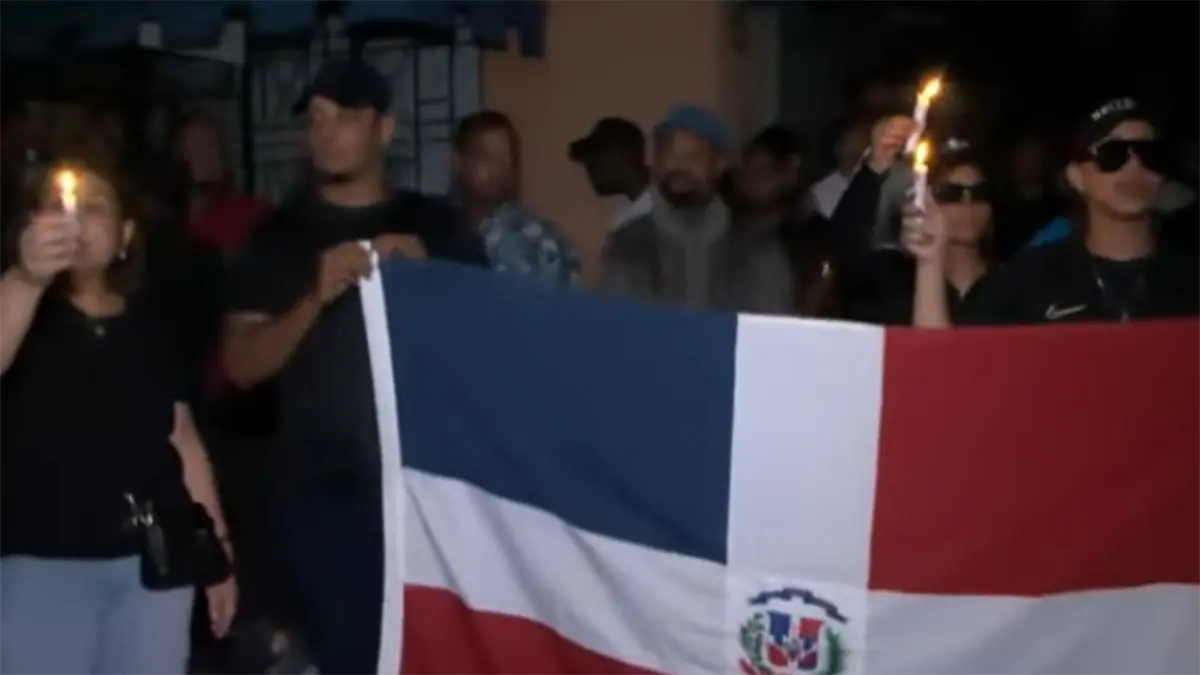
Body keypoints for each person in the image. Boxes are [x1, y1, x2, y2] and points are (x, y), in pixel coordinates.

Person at [222, 59, 487, 675]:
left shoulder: (439, 228)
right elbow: (240, 366)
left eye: (345, 116)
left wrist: (430, 283)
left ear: (385, 129)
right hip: (326, 489)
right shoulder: (276, 238)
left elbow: (487, 347)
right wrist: (314, 299)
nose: (327, 130)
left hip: (429, 485)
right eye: (316, 118)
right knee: (355, 651)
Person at [0, 157, 236, 675]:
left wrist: (218, 555)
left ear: (125, 235)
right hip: (41, 566)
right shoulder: (17, 305)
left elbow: (183, 440)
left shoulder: (152, 324)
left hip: (152, 568)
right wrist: (26, 278)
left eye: (96, 208)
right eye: (61, 206)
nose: (76, 220)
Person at [907, 97, 1200, 326]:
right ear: (1076, 176)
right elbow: (946, 363)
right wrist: (930, 262)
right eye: (1113, 155)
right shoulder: (1027, 279)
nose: (1135, 168)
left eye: (1150, 154)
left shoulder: (1190, 275)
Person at [454, 110, 580, 285]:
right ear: (458, 161)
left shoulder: (539, 241)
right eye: (487, 157)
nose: (498, 170)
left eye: (508, 160)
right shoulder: (439, 231)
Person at [731, 124, 841, 316]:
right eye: (747, 167)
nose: (750, 179)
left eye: (764, 171)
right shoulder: (719, 221)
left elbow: (818, 302)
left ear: (790, 175)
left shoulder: (811, 237)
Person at [569, 116, 651, 231]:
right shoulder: (630, 218)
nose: (588, 168)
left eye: (593, 159)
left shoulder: (666, 207)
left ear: (616, 156)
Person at [809, 118, 871, 219]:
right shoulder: (821, 194)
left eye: (863, 139)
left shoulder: (876, 181)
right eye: (852, 139)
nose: (859, 145)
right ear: (837, 147)